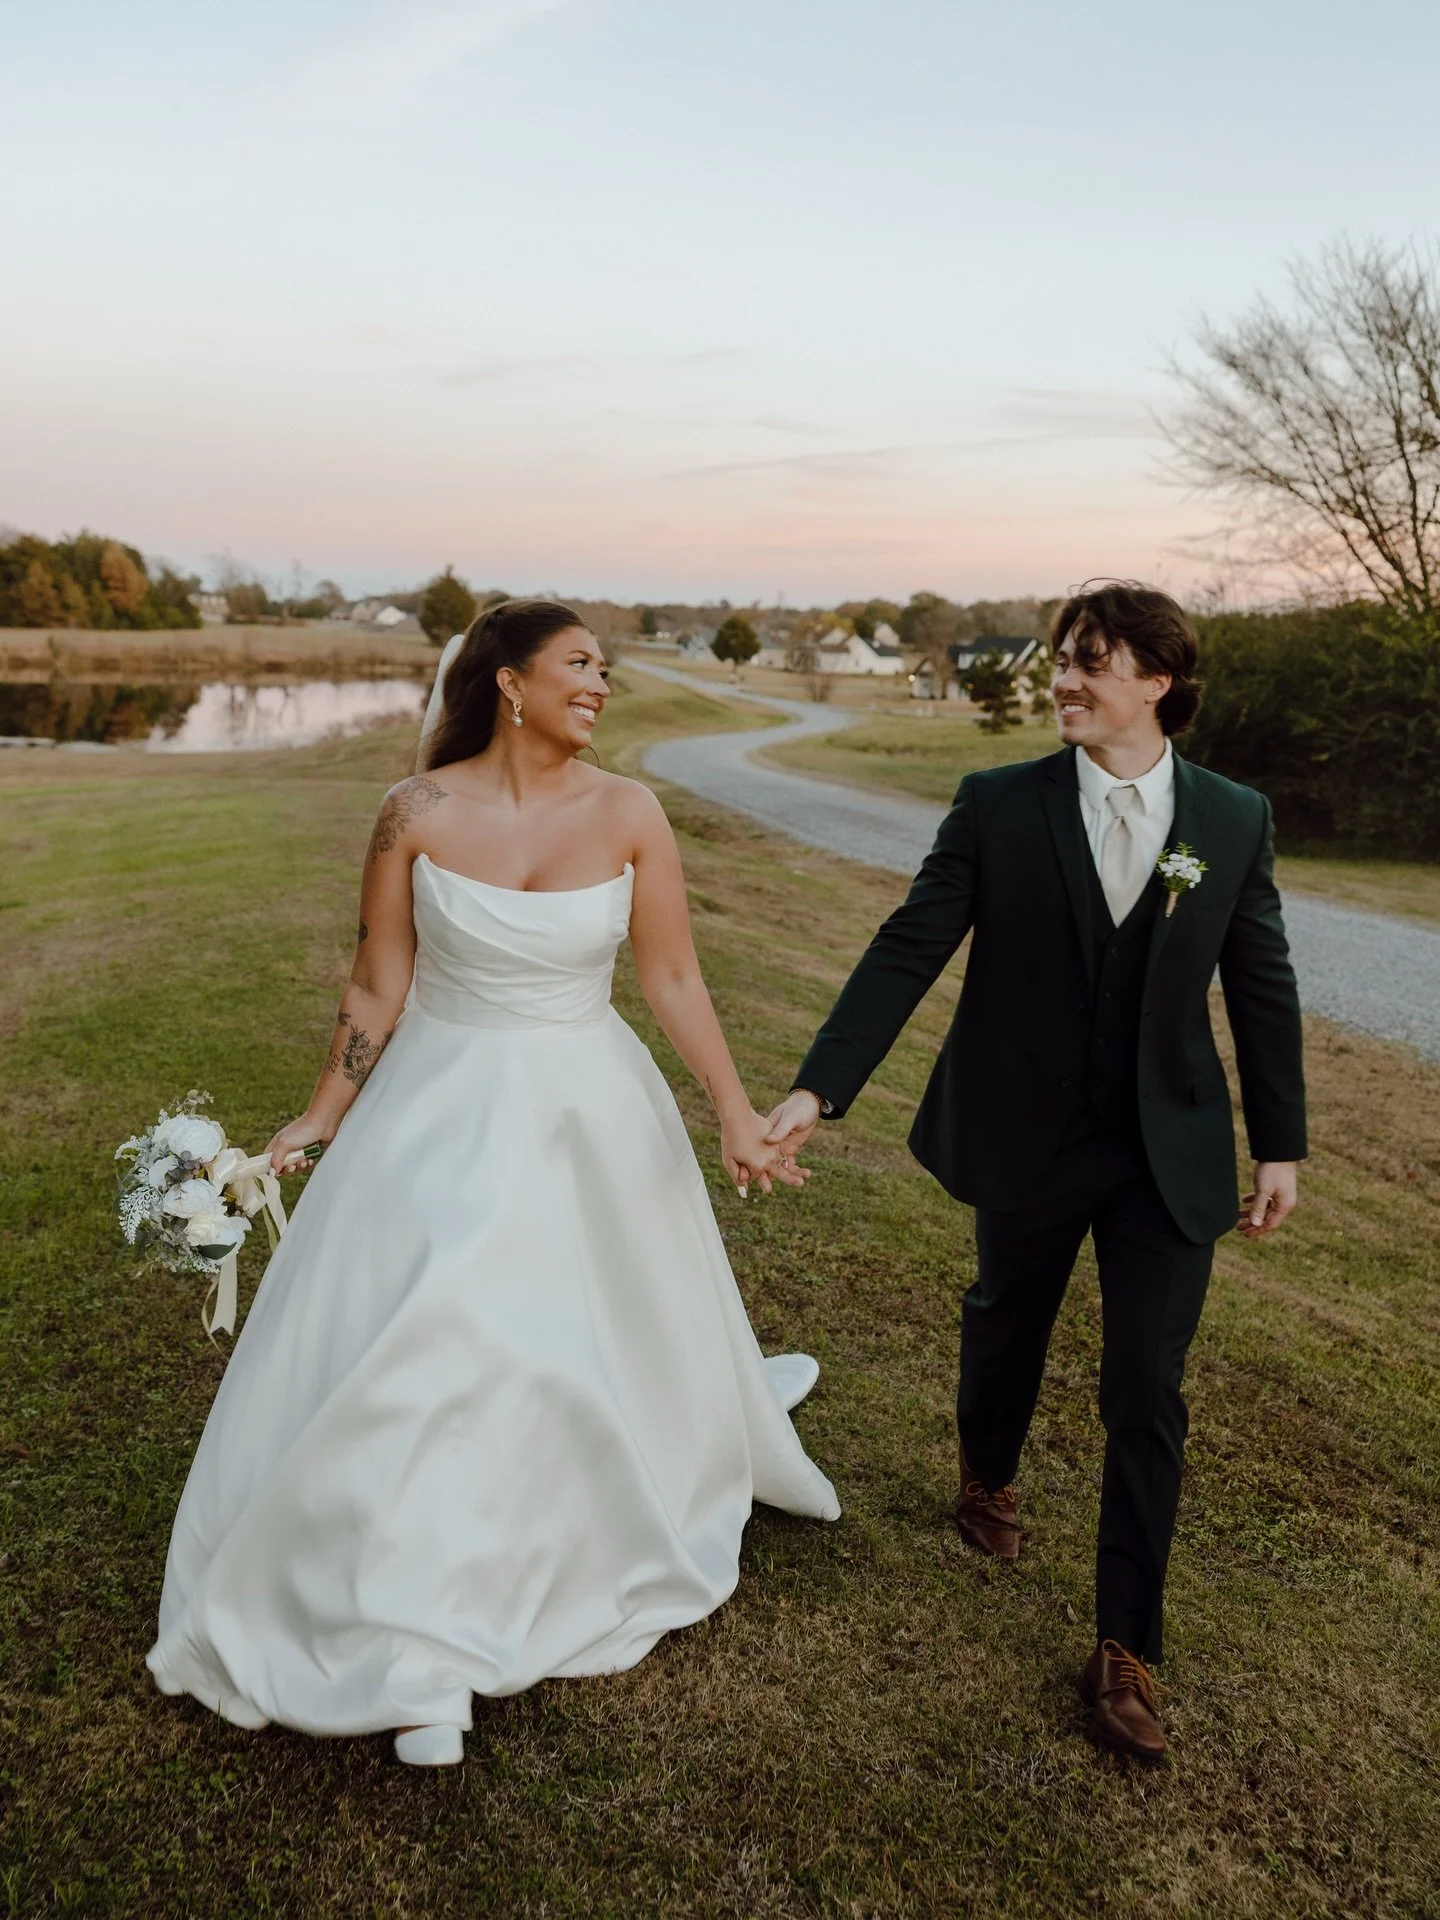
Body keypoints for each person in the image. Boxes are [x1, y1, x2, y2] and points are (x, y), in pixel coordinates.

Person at [147, 597, 839, 1767]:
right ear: (509, 683)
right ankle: (421, 1647)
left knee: (558, 1339)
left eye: (605, 669)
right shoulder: (412, 810)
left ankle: (526, 1556)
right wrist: (317, 1117)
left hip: (589, 1113)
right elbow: (377, 986)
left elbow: (671, 978)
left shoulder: (630, 811)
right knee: (438, 1330)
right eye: (580, 664)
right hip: (440, 1111)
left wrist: (731, 1113)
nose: (601, 685)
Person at [765, 581, 1305, 1765]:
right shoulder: (998, 806)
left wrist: (1280, 1142)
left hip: (1165, 1149)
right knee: (1006, 1320)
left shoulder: (1233, 817)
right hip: (1024, 1133)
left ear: (1157, 680)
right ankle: (989, 1476)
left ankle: (1127, 1649)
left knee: (1146, 1391)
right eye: (1062, 659)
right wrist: (818, 1089)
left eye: (1090, 662)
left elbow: (1261, 986)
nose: (1063, 679)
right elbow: (909, 945)